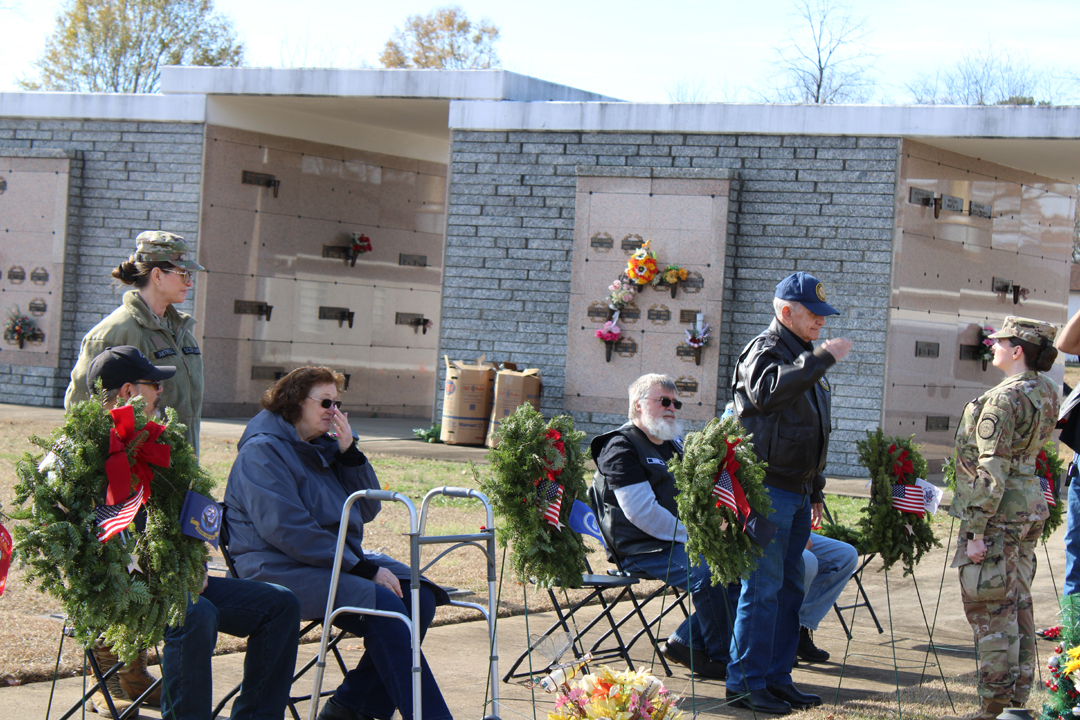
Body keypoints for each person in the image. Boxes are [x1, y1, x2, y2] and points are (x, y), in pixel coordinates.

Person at [222, 367, 452, 720]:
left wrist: (349, 455)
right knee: (384, 604)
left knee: (418, 595)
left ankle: (352, 708)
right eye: (326, 402)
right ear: (295, 402)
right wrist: (361, 568)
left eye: (338, 403)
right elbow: (288, 530)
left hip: (328, 560)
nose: (335, 411)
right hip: (276, 567)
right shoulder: (262, 452)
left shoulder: (321, 448)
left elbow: (369, 508)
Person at [86, 346, 301, 720]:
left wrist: (192, 563)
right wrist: (146, 575)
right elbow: (79, 545)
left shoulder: (158, 446)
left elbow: (188, 518)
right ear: (126, 393)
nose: (160, 392)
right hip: (121, 589)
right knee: (194, 614)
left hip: (174, 580)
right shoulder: (81, 454)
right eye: (153, 384)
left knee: (281, 604)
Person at [729, 271, 853, 715]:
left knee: (788, 592)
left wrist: (816, 489)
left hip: (797, 492)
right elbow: (767, 395)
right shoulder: (765, 351)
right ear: (786, 312)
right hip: (766, 491)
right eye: (814, 314)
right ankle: (746, 683)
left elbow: (811, 430)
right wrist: (818, 359)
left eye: (824, 315)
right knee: (761, 589)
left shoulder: (802, 354)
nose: (822, 322)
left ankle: (778, 678)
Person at [944, 316, 1060, 720]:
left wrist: (975, 530)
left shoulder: (1003, 399)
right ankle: (1016, 700)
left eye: (1001, 341)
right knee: (1018, 602)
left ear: (1018, 350)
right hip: (1027, 505)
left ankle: (993, 705)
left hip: (999, 512)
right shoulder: (1044, 390)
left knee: (991, 606)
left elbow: (992, 467)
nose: (992, 345)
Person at [592, 373, 738, 680]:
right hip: (641, 548)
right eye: (663, 401)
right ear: (638, 404)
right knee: (712, 573)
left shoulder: (673, 444)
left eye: (675, 403)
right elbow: (642, 513)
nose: (672, 408)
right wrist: (698, 536)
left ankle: (686, 642)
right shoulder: (621, 447)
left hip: (676, 541)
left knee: (741, 565)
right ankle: (722, 658)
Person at [66, 231, 205, 455]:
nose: (189, 282)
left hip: (179, 470)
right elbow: (82, 410)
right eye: (183, 273)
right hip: (136, 475)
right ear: (157, 276)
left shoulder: (182, 330)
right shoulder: (114, 333)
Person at [797, 534, 859, 664]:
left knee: (846, 555)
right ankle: (782, 639)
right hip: (765, 529)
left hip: (795, 527)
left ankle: (799, 628)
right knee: (807, 560)